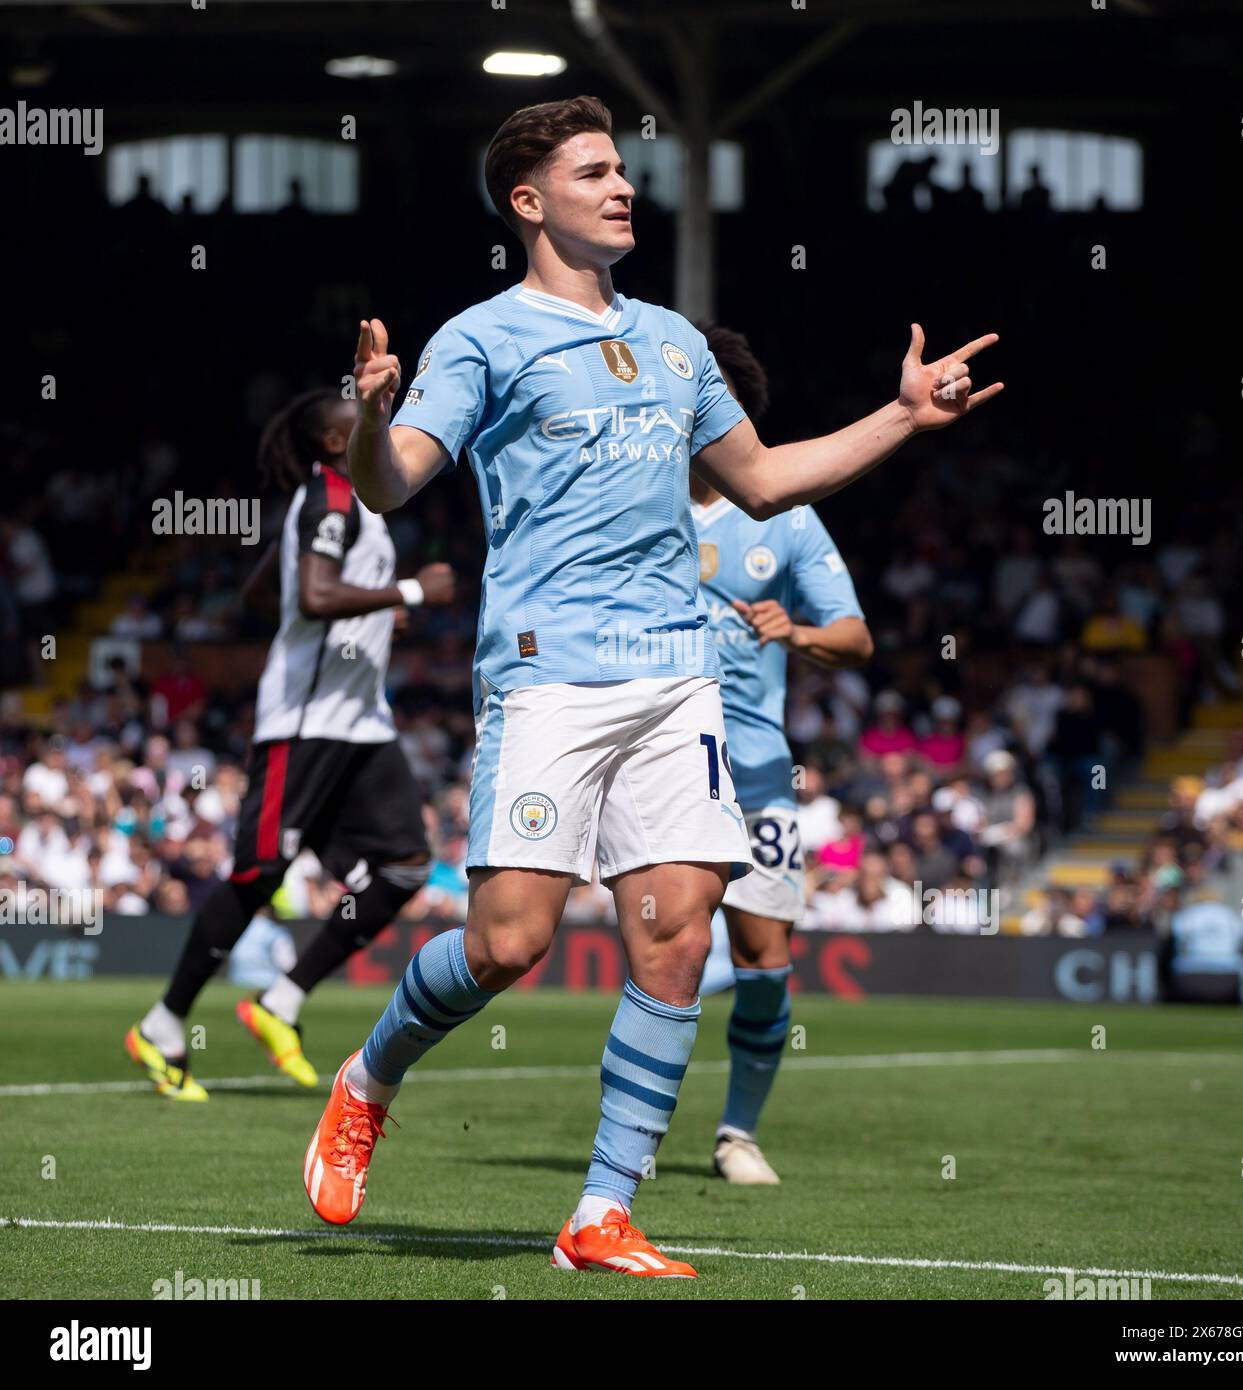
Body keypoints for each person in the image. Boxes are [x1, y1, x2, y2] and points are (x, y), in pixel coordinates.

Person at [305, 94, 1001, 1278]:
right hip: (547, 682)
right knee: (506, 944)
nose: (621, 185)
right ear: (529, 202)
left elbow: (769, 481)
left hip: (677, 682)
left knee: (673, 941)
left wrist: (898, 415)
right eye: (592, 172)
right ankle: (368, 1077)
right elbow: (389, 487)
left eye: (623, 168)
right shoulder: (482, 339)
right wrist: (372, 421)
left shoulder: (677, 341)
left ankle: (600, 1212)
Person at [125, 388, 455, 1101]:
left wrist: (363, 620)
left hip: (360, 723)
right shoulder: (329, 496)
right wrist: (410, 595)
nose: (380, 428)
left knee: (404, 865)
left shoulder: (354, 500)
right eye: (362, 422)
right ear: (337, 444)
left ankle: (281, 1001)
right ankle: (164, 1023)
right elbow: (311, 595)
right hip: (305, 724)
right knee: (259, 875)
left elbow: (263, 593)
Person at [688, 322, 872, 1184]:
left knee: (762, 960)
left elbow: (855, 639)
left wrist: (791, 631)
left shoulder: (787, 518)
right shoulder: (628, 496)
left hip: (755, 766)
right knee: (669, 948)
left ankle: (738, 1134)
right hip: (654, 751)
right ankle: (634, 1134)